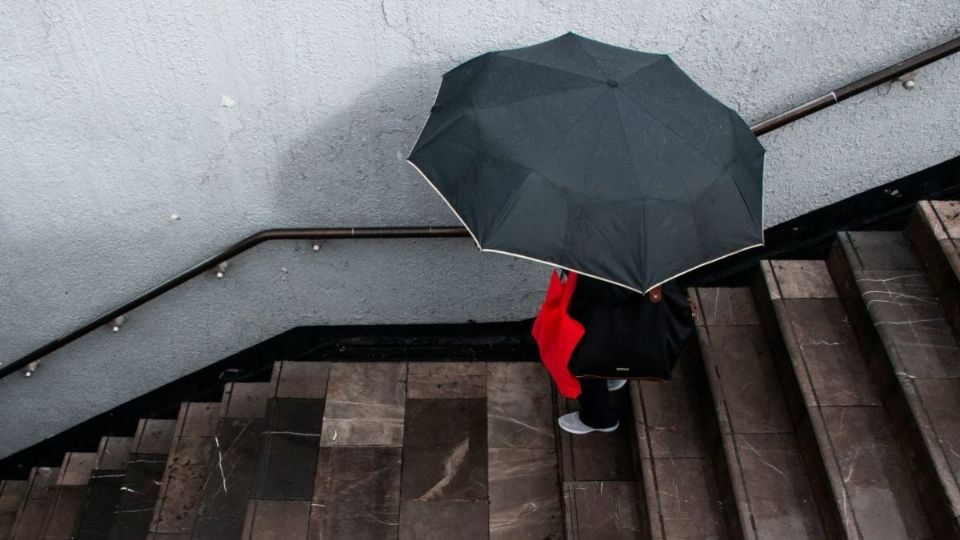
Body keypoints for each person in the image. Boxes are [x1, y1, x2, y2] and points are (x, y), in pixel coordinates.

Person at [556, 271, 691, 435]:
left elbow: (608, 292)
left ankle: (599, 418)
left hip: (598, 324)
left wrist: (574, 272)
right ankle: (615, 375)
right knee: (618, 342)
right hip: (633, 319)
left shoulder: (603, 259)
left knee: (587, 363)